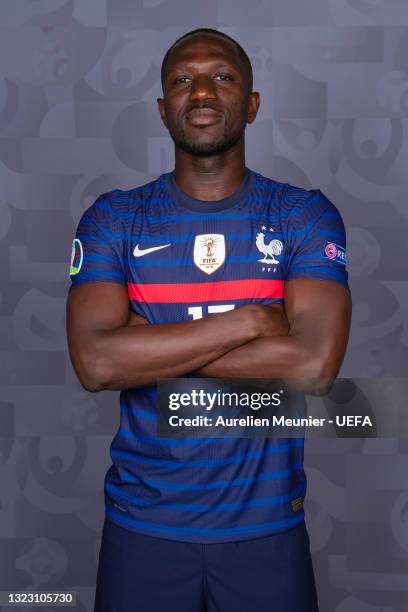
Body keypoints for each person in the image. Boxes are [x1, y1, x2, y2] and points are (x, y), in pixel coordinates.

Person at [66, 27, 351, 612]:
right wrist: (250, 320)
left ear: (251, 103)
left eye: (221, 77)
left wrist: (148, 345)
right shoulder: (114, 218)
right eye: (181, 80)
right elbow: (96, 363)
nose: (200, 91)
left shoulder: (303, 214)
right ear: (162, 108)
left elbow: (314, 367)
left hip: (267, 528)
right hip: (143, 527)